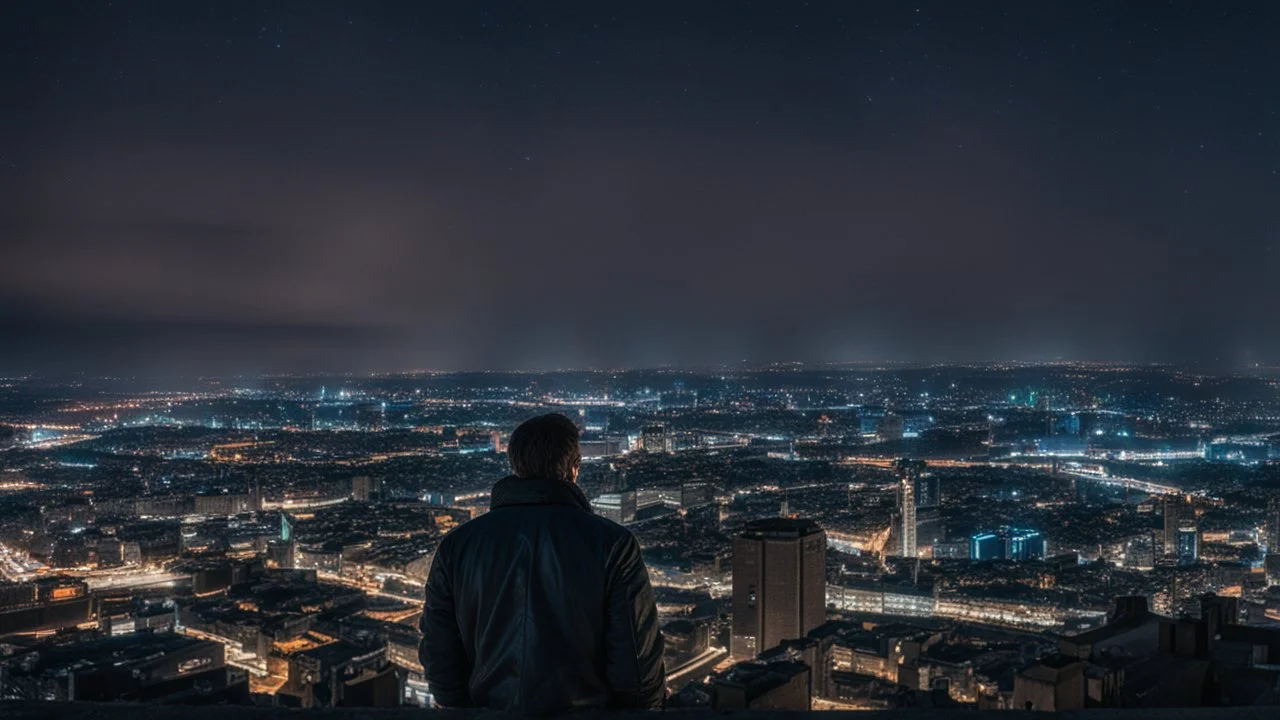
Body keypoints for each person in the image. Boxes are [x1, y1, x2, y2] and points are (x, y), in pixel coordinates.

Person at [420, 413, 665, 715]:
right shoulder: (613, 544)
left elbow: (439, 650)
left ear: (515, 465)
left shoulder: (457, 546)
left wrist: (462, 709)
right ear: (575, 469)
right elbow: (636, 662)